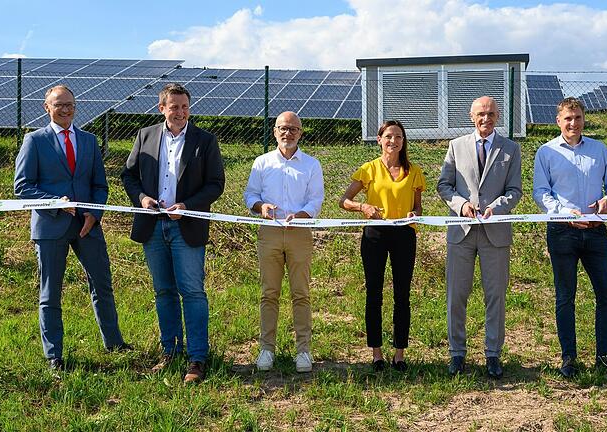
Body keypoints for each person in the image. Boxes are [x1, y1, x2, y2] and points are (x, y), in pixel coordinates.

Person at [14, 85, 129, 371]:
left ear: (75, 107)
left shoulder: (89, 141)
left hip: (87, 226)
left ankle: (113, 342)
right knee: (50, 292)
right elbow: (22, 187)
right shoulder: (34, 141)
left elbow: (100, 185)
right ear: (46, 107)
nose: (65, 110)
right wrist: (52, 201)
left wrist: (94, 213)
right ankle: (54, 354)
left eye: (69, 105)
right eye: (58, 105)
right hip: (50, 227)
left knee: (102, 284)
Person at [121, 83, 225, 384]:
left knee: (192, 292)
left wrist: (187, 205)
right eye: (174, 106)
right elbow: (128, 175)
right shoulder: (145, 135)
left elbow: (216, 183)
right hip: (153, 226)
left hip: (186, 226)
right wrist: (141, 198)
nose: (180, 112)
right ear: (161, 108)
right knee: (164, 291)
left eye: (184, 107)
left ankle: (197, 358)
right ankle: (170, 351)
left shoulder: (205, 140)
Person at [532, 97, 607, 378]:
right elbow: (540, 192)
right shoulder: (546, 152)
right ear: (558, 121)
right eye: (568, 118)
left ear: (584, 120)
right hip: (562, 232)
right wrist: (561, 212)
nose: (573, 123)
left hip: (596, 232)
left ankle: (606, 356)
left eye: (578, 118)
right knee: (565, 297)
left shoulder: (599, 149)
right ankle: (568, 357)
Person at [436, 96, 522, 378]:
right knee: (456, 295)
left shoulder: (511, 149)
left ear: (498, 116)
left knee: (495, 295)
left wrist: (496, 207)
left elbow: (515, 191)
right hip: (461, 234)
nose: (486, 119)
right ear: (471, 116)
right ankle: (457, 354)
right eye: (481, 114)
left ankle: (493, 354)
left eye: (491, 114)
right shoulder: (455, 146)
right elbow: (444, 185)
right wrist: (460, 205)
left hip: (495, 233)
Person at [339, 120, 425, 372]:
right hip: (375, 234)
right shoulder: (368, 169)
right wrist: (362, 207)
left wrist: (414, 214)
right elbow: (344, 201)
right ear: (379, 139)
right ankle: (376, 352)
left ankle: (399, 353)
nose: (393, 141)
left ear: (403, 141)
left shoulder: (414, 171)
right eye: (388, 136)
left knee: (402, 294)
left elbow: (418, 206)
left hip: (404, 235)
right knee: (374, 292)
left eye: (398, 137)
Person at [244, 111, 325, 373]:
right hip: (268, 232)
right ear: (274, 131)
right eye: (282, 128)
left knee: (301, 293)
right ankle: (267, 349)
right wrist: (261, 206)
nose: (287, 133)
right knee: (269, 293)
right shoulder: (262, 163)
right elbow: (250, 195)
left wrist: (301, 215)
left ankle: (304, 351)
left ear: (300, 133)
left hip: (300, 233)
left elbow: (316, 200)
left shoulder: (311, 165)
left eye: (293, 129)